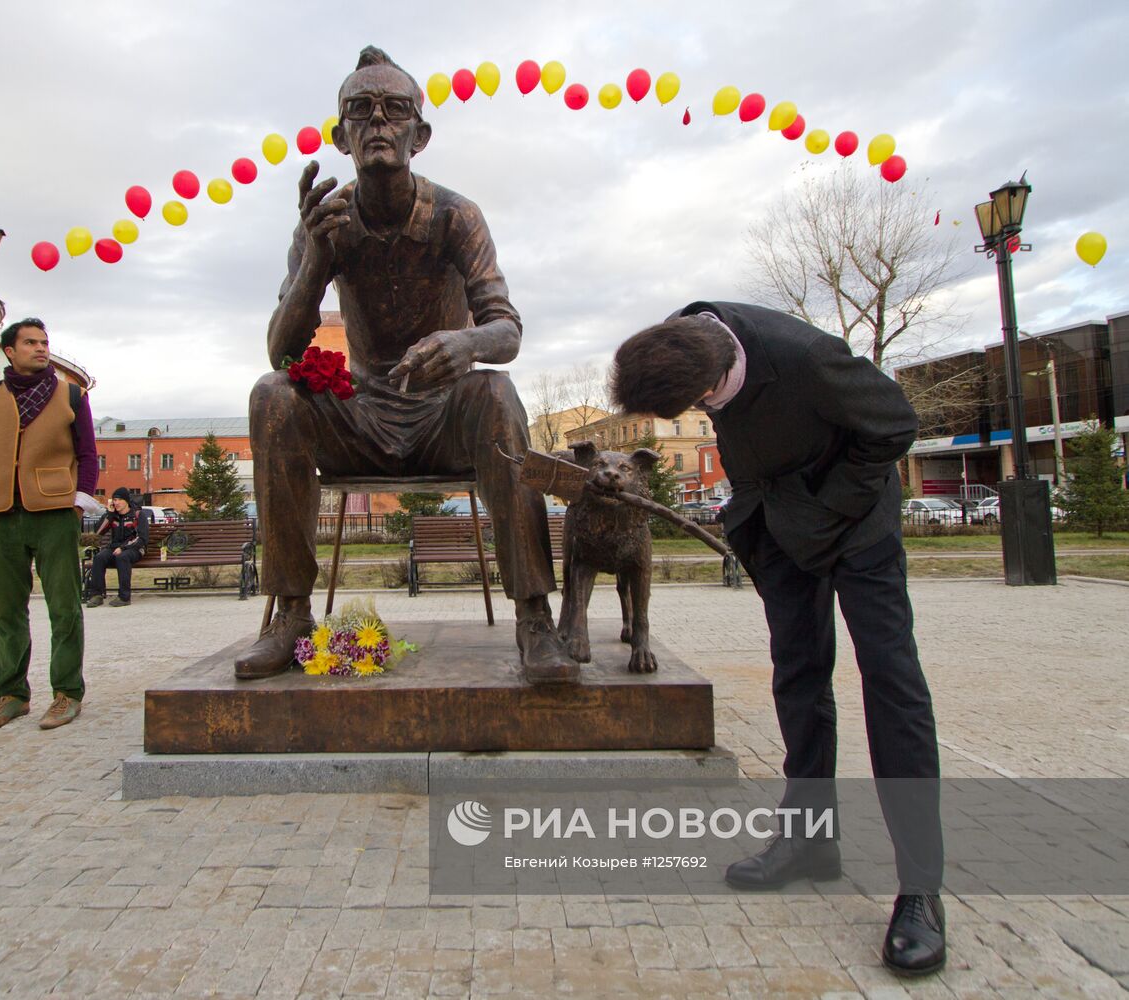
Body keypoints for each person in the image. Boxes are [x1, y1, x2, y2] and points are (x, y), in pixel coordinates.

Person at [610, 302, 946, 977]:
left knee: (891, 682)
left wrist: (827, 509)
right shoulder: (686, 336)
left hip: (856, 527)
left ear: (711, 385)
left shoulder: (808, 357)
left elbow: (895, 424)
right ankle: (809, 845)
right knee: (798, 676)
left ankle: (921, 890)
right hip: (780, 528)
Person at [236, 46, 575, 684]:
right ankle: (291, 616)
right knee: (273, 394)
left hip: (444, 417)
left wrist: (466, 345)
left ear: (420, 135)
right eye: (360, 112)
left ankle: (535, 618)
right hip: (360, 417)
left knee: (497, 395)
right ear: (340, 137)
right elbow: (282, 350)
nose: (378, 124)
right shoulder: (325, 223)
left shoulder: (456, 215)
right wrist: (313, 256)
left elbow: (507, 327)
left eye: (395, 111)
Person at [0, 318, 102, 731]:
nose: (40, 349)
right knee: (7, 610)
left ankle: (66, 693)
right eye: (30, 343)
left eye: (44, 342)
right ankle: (11, 695)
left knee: (64, 607)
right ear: (10, 351)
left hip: (53, 511)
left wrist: (77, 504)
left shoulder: (71, 394)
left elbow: (88, 454)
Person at [86, 488, 149, 607]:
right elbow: (98, 533)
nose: (116, 502)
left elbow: (142, 538)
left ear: (126, 501)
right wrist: (109, 514)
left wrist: (123, 548)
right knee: (99, 558)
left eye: (120, 499)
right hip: (114, 548)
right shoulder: (112, 516)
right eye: (115, 500)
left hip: (134, 549)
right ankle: (96, 595)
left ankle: (124, 597)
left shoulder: (138, 515)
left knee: (122, 557)